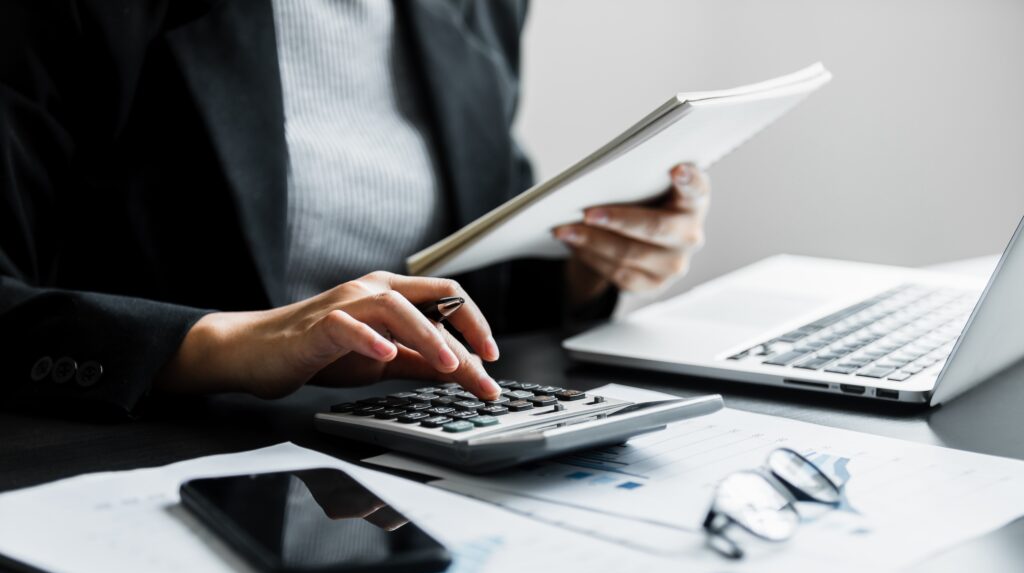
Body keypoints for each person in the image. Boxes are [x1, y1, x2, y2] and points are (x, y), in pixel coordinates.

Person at [0, 0, 709, 417]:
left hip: (406, 440)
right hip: (140, 452)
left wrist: (589, 267)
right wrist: (223, 344)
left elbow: (457, 275)